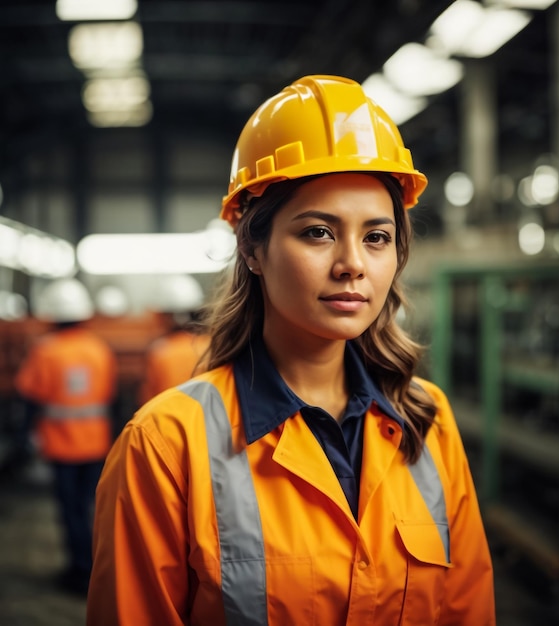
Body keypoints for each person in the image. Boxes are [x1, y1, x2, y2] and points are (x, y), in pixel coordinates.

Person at [87, 75, 496, 625]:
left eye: (376, 237)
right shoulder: (165, 444)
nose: (353, 263)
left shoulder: (427, 419)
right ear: (252, 248)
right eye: (318, 233)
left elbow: (468, 609)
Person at [14, 277, 117, 595]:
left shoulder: (45, 351)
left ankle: (80, 571)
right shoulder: (98, 349)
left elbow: (30, 397)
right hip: (97, 442)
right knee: (93, 508)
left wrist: (24, 439)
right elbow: (110, 399)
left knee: (71, 509)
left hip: (61, 445)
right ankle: (100, 569)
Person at [137, 274, 210, 406]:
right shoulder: (211, 346)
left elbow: (148, 400)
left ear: (171, 316)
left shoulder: (160, 351)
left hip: (168, 422)